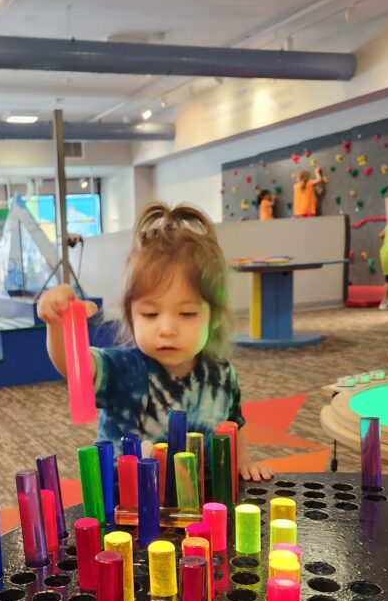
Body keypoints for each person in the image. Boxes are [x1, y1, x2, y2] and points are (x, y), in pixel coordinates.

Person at [37, 202, 273, 482]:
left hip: (200, 509)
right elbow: (73, 367)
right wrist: (57, 325)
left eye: (186, 313)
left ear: (215, 317)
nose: (167, 329)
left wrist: (243, 463)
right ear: (131, 315)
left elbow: (234, 426)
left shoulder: (221, 375)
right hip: (128, 508)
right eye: (150, 314)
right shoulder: (122, 369)